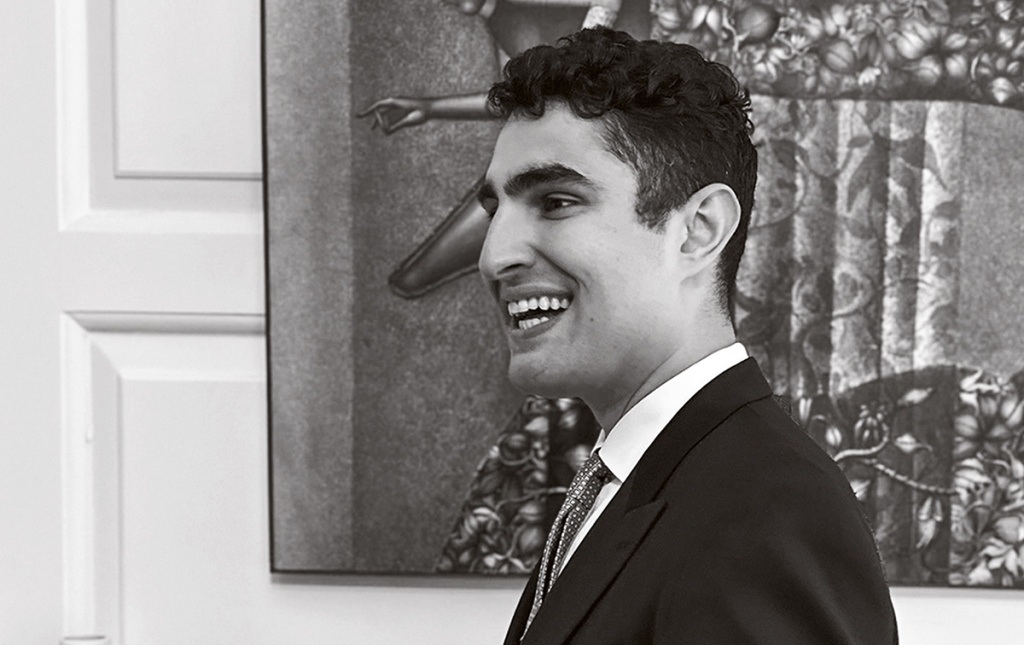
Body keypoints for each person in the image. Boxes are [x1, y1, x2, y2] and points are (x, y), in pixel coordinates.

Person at [476, 27, 899, 644]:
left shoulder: (768, 510)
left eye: (557, 201)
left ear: (699, 230)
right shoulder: (648, 477)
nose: (495, 256)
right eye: (496, 210)